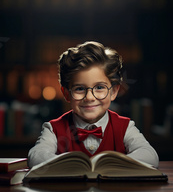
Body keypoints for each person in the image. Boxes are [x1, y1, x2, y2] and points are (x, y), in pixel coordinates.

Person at [27, 41, 159, 168]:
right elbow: (36, 157)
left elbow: (150, 156)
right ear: (66, 94)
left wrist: (111, 164)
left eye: (99, 87)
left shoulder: (125, 127)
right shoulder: (53, 129)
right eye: (79, 89)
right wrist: (72, 165)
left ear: (113, 92)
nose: (89, 98)